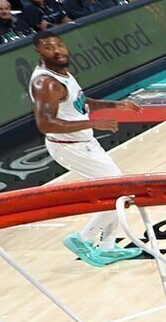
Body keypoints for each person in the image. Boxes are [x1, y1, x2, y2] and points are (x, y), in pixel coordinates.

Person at [29, 32, 146, 266]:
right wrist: (93, 123)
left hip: (83, 143)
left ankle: (107, 246)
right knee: (120, 191)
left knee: (119, 190)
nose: (58, 50)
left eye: (60, 45)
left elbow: (80, 100)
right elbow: (45, 124)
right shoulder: (46, 83)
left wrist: (116, 105)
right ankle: (82, 238)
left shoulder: (62, 73)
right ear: (39, 52)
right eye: (49, 47)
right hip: (70, 147)